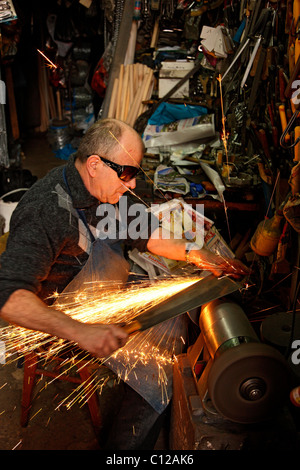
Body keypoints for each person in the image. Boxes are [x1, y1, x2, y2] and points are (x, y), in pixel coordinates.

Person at [0, 118, 248, 449]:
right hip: (68, 319)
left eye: (134, 174)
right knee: (158, 366)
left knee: (178, 314)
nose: (131, 185)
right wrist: (81, 332)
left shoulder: (109, 192)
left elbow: (149, 234)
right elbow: (9, 297)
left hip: (108, 291)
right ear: (94, 164)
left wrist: (199, 254)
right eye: (126, 173)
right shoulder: (47, 210)